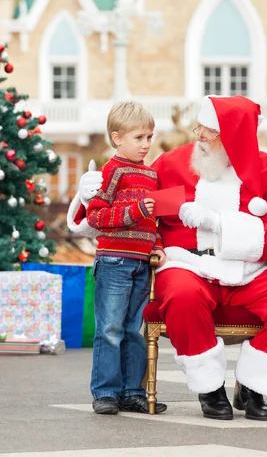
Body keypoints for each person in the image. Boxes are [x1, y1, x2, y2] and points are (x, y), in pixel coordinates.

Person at [68, 95, 267, 421]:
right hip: (189, 265)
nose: (199, 136)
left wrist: (218, 223)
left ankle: (254, 385)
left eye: (208, 130)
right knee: (180, 293)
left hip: (251, 272)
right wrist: (88, 195)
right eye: (199, 128)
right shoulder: (174, 166)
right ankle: (210, 387)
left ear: (234, 136)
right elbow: (143, 217)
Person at [79, 101, 167, 416]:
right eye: (139, 138)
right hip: (114, 261)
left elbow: (151, 221)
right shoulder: (112, 170)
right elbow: (96, 215)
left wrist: (157, 244)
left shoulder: (151, 175)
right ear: (117, 138)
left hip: (142, 264)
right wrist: (134, 211)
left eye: (149, 137)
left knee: (133, 329)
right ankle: (105, 392)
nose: (146, 144)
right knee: (110, 329)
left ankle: (133, 392)